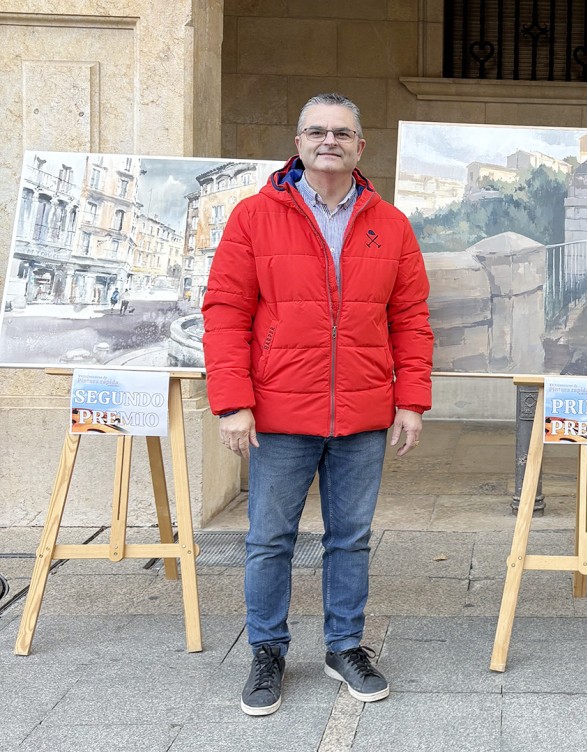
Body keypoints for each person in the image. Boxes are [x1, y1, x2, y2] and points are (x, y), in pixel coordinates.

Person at [202, 92, 434, 717]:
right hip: (279, 411)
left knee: (351, 538)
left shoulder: (391, 224)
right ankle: (267, 652)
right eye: (316, 131)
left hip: (361, 412)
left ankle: (344, 646)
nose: (328, 141)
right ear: (298, 143)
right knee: (269, 538)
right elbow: (225, 313)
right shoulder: (254, 216)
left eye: (341, 133)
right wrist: (232, 403)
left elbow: (410, 318)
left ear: (361, 147)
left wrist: (410, 399)